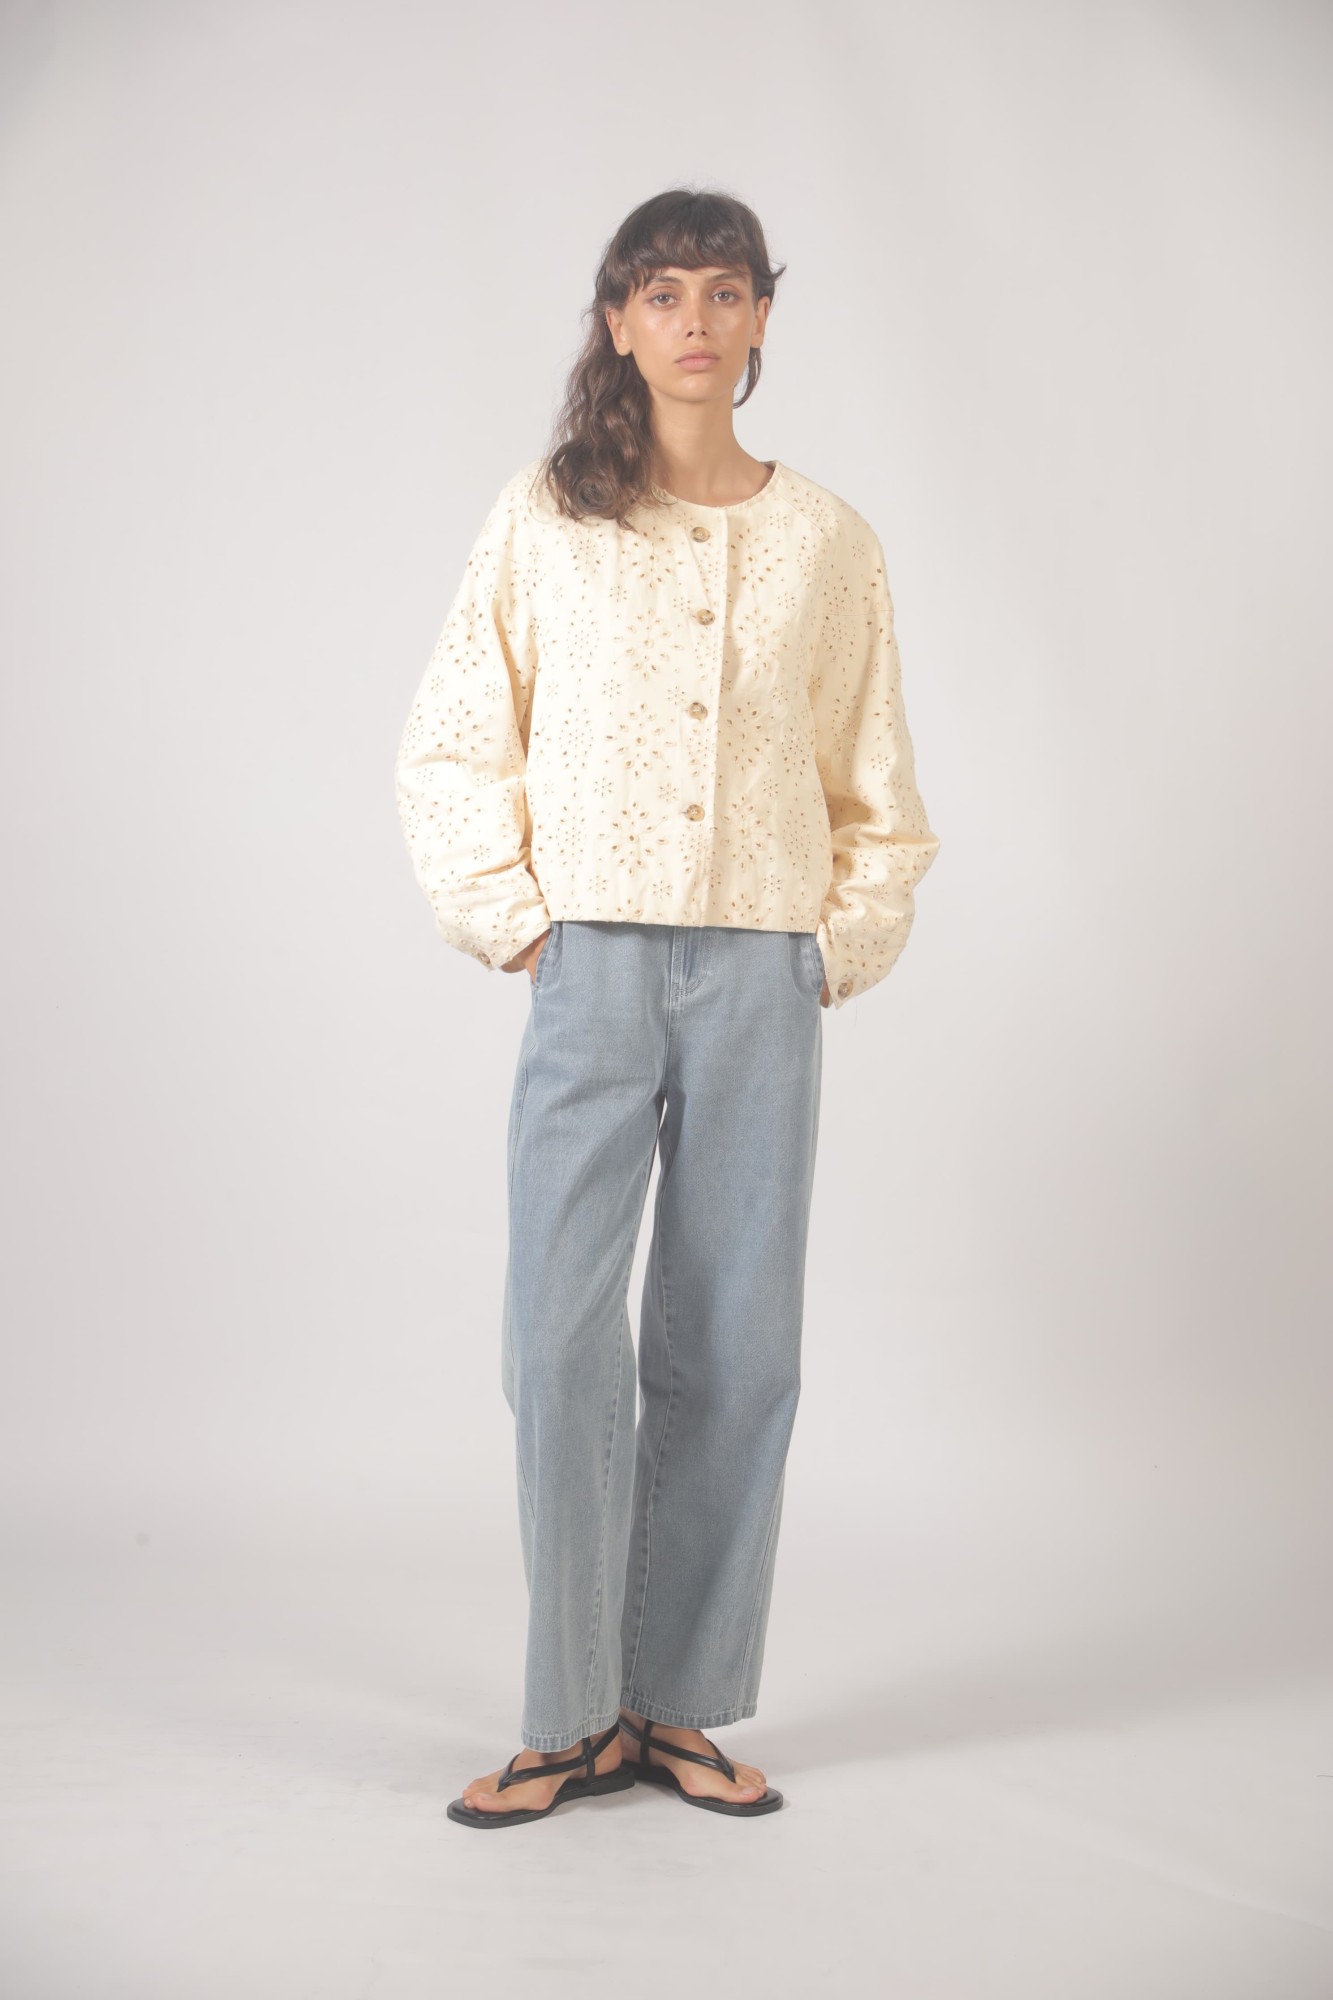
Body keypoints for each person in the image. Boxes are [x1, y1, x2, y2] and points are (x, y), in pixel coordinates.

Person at [394, 187, 941, 1828]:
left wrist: (835, 942)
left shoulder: (828, 542)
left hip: (763, 966)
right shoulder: (546, 518)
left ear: (762, 315)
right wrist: (516, 922)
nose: (693, 320)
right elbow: (454, 737)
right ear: (616, 322)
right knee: (558, 1340)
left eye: (722, 291)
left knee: (737, 1343)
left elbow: (875, 777)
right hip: (595, 964)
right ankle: (570, 1714)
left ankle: (675, 1702)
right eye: (660, 294)